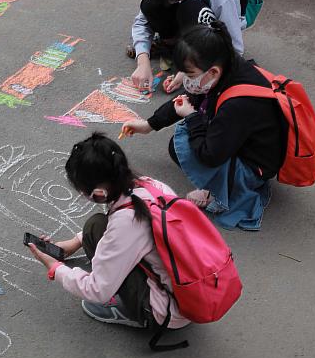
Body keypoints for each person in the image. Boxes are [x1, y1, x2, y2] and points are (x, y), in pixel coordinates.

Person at [121, 21, 286, 230]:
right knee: (178, 145)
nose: (186, 82)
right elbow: (189, 97)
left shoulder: (237, 103)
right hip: (245, 144)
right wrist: (148, 125)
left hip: (255, 166)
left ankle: (222, 192)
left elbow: (209, 156)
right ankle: (226, 182)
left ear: (213, 72)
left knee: (188, 146)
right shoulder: (227, 67)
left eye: (189, 75)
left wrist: (191, 117)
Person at [26, 132, 191, 334]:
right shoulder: (149, 185)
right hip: (189, 287)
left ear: (98, 193)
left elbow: (96, 289)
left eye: (81, 191)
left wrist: (55, 268)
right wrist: (73, 243)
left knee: (103, 271)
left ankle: (138, 312)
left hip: (169, 311)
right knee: (94, 227)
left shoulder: (127, 222)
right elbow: (122, 231)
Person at [129, 0, 248, 94]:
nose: (169, 3)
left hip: (208, 23)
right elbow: (142, 21)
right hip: (187, 18)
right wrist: (142, 61)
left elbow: (234, 48)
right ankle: (173, 45)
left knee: (190, 7)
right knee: (151, 3)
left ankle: (187, 51)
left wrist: (186, 71)